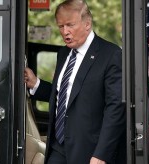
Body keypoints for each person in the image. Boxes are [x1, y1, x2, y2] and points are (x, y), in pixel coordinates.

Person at [25, 0, 126, 163]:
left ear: (87, 23)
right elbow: (66, 95)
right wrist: (36, 84)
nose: (65, 32)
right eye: (61, 26)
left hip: (89, 150)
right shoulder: (63, 53)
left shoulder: (111, 55)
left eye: (70, 25)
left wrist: (101, 154)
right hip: (58, 147)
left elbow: (115, 108)